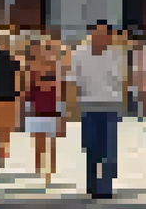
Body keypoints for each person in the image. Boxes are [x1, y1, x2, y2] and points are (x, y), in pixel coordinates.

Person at [70, 21, 125, 199]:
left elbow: (122, 79)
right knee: (92, 147)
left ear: (109, 37)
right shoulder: (78, 54)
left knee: (109, 148)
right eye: (96, 34)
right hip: (88, 105)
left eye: (103, 34)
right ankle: (92, 184)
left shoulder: (117, 54)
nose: (99, 38)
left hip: (110, 104)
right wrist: (71, 106)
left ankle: (105, 187)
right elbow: (72, 80)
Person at [24, 38, 62, 185]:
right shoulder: (31, 66)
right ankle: (39, 166)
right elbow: (29, 86)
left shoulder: (54, 65)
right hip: (37, 105)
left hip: (51, 104)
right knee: (39, 139)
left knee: (51, 140)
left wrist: (60, 107)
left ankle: (51, 169)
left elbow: (58, 85)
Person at [0, 31, 23, 170]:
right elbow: (18, 82)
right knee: (6, 128)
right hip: (10, 97)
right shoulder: (16, 62)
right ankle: (2, 153)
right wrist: (19, 98)